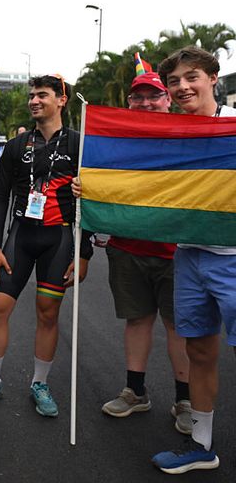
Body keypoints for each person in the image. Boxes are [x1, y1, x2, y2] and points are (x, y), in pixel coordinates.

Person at [0, 74, 92, 417]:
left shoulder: (81, 144)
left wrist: (84, 252)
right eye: (31, 95)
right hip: (20, 237)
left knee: (48, 312)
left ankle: (40, 384)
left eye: (42, 95)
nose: (33, 101)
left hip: (59, 238)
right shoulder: (17, 146)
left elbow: (92, 203)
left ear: (62, 100)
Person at [73, 71, 191, 432]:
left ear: (167, 100)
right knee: (137, 319)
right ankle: (135, 391)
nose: (145, 103)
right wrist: (86, 188)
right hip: (126, 248)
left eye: (153, 96)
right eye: (138, 97)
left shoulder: (186, 137)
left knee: (178, 326)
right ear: (128, 103)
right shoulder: (114, 141)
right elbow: (97, 183)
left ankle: (185, 399)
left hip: (178, 251)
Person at [152, 46, 236, 474]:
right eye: (174, 81)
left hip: (233, 258)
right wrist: (93, 190)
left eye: (192, 77)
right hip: (190, 257)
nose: (183, 87)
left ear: (212, 79)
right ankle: (202, 446)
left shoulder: (233, 126)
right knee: (200, 353)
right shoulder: (172, 135)